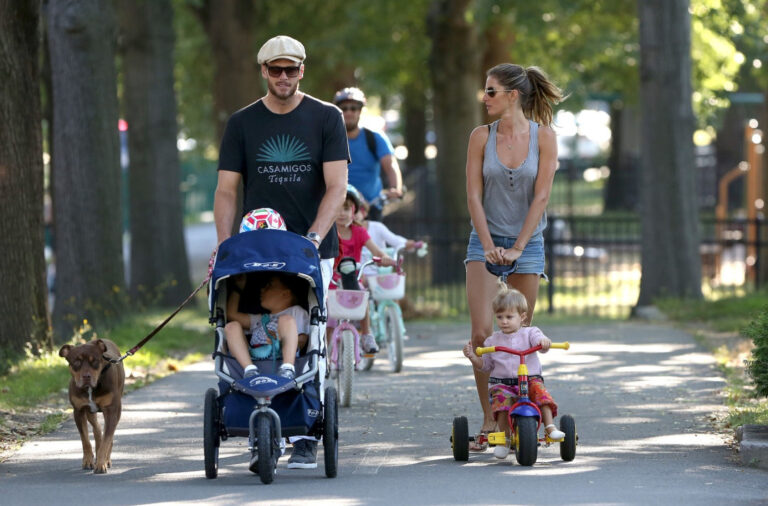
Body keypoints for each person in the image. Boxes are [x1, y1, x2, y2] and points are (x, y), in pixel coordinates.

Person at [214, 34, 349, 470]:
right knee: (246, 327)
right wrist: (224, 247)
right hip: (255, 252)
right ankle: (258, 423)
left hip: (310, 250)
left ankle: (307, 430)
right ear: (264, 72)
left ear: (302, 70)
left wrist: (313, 236)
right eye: (276, 70)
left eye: (292, 69)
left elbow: (336, 187)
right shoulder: (242, 123)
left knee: (309, 332)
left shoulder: (326, 117)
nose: (285, 77)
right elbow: (226, 190)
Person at [464, 63, 564, 451]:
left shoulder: (545, 138)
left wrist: (520, 247)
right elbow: (473, 195)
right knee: (482, 335)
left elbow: (541, 197)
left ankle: (525, 413)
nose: (484, 98)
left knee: (518, 334)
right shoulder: (479, 136)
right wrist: (488, 242)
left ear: (512, 95)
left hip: (529, 241)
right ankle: (491, 420)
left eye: (491, 91)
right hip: (484, 239)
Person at [462, 283, 565, 459]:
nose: (504, 321)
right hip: (503, 384)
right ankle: (505, 439)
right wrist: (473, 356)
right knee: (502, 403)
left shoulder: (530, 333)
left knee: (541, 394)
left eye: (509, 316)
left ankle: (550, 427)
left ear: (522, 317)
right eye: (500, 316)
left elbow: (540, 342)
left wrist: (545, 341)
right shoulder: (493, 340)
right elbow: (485, 365)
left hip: (530, 380)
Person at [330, 185, 395, 353]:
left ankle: (366, 334)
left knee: (362, 295)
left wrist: (384, 258)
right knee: (329, 319)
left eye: (346, 208)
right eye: (338, 208)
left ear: (354, 211)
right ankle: (326, 351)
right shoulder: (328, 232)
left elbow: (376, 251)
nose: (342, 213)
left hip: (352, 280)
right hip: (331, 280)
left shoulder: (359, 232)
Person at [333, 87, 403, 221]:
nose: (349, 112)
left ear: (360, 111)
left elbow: (391, 165)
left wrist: (395, 188)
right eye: (344, 108)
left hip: (371, 208)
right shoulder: (330, 139)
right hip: (339, 208)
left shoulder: (375, 138)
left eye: (353, 108)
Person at [224, 273, 309, 380]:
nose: (262, 289)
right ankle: (249, 369)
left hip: (281, 353)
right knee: (232, 326)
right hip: (253, 356)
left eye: (269, 285)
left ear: (286, 293)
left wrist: (281, 342)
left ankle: (287, 368)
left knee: (285, 319)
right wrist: (238, 287)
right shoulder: (262, 318)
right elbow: (231, 315)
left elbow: (302, 338)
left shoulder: (296, 311)